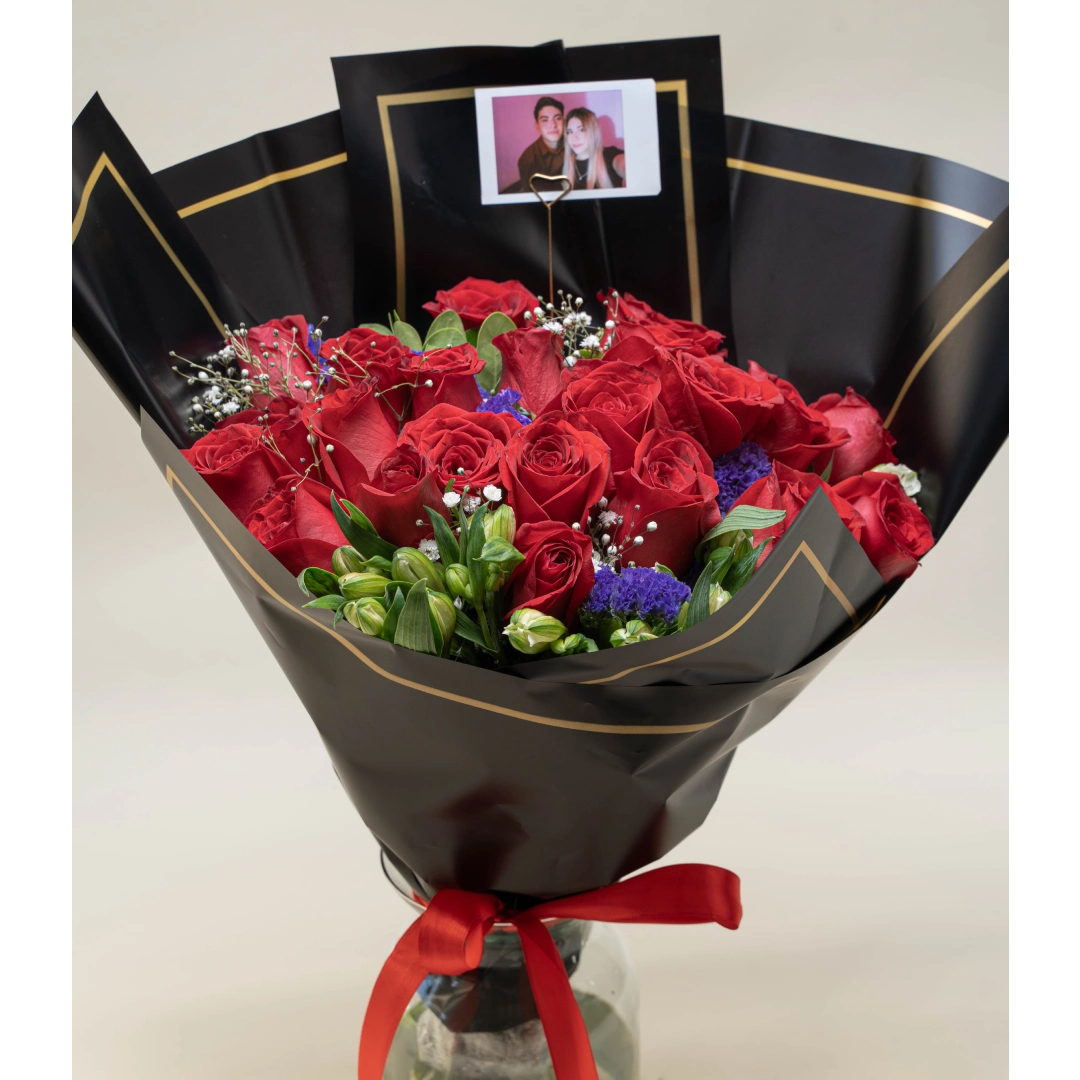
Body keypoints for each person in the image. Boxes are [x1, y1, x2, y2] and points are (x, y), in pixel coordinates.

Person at [562, 107, 625, 190]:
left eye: (581, 130)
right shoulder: (563, 165)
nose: (574, 138)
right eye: (569, 132)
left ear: (594, 131)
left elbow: (626, 166)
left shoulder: (611, 155)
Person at [516, 97, 566, 191]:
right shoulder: (528, 160)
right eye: (545, 120)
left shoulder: (574, 143)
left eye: (558, 118)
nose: (553, 125)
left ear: (564, 122)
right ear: (537, 126)